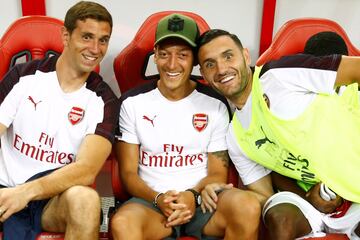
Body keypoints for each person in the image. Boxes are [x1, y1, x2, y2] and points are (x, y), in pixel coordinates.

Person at [111, 14, 268, 240]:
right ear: (155, 55)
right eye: (164, 54)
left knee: (247, 205)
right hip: (152, 204)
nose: (172, 64)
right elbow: (127, 173)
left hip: (204, 201)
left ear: (195, 60)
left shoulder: (215, 103)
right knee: (123, 223)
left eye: (182, 55)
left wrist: (191, 197)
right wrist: (159, 199)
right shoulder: (132, 102)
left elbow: (217, 172)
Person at [197, 29, 360, 240]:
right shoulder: (235, 138)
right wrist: (221, 192)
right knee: (280, 218)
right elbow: (265, 196)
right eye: (210, 64)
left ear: (246, 56)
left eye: (228, 56)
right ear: (204, 75)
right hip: (313, 201)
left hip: (355, 194)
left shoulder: (278, 76)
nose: (221, 69)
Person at [0, 1, 118, 239]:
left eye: (103, 40)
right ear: (66, 35)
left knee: (86, 199)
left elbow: (86, 170)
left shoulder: (103, 101)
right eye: (87, 37)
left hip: (50, 200)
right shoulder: (24, 76)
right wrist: (12, 193)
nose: (95, 48)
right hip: (4, 189)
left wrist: (25, 193)